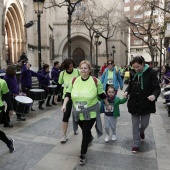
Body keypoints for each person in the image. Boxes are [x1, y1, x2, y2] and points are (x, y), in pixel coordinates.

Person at [61, 60, 111, 165]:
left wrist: (107, 104)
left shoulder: (95, 81)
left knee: (84, 132)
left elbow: (101, 94)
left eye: (85, 68)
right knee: (85, 130)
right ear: (79, 69)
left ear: (89, 70)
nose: (83, 70)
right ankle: (90, 137)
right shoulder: (74, 80)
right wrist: (64, 105)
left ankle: (82, 154)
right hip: (77, 112)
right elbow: (68, 94)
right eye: (81, 68)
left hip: (91, 112)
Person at [124, 56, 160, 154]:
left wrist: (154, 95)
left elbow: (157, 88)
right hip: (134, 103)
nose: (136, 69)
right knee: (135, 125)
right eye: (134, 67)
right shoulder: (133, 73)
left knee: (144, 123)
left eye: (138, 67)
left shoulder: (151, 73)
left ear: (143, 64)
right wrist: (126, 91)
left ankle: (142, 131)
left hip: (146, 103)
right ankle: (136, 144)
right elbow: (130, 86)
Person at [56, 58, 80, 143]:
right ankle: (63, 135)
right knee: (66, 116)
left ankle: (75, 128)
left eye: (72, 66)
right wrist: (56, 94)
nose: (71, 68)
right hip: (66, 97)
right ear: (65, 67)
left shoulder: (77, 72)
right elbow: (59, 84)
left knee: (77, 114)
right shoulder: (62, 74)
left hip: (77, 97)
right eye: (69, 67)